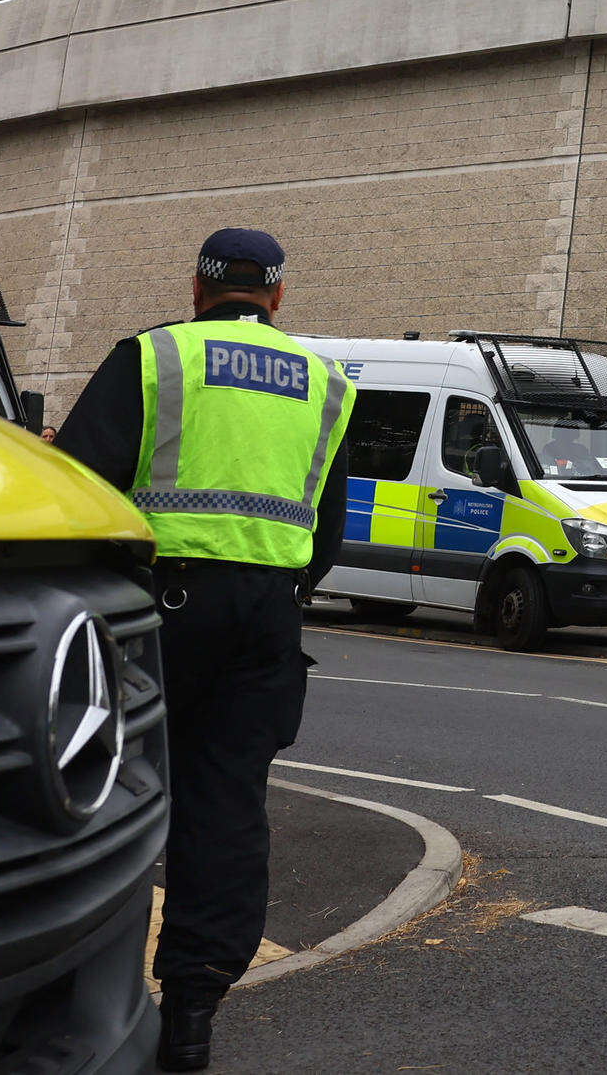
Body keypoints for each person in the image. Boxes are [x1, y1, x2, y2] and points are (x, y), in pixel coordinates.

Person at [52, 228, 355, 1072]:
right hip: (269, 617)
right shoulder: (326, 383)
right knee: (225, 809)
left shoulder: (153, 358)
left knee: (99, 797)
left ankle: (72, 1001)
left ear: (197, 286)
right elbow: (326, 524)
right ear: (278, 296)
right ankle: (191, 1016)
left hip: (155, 610)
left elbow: (76, 488)